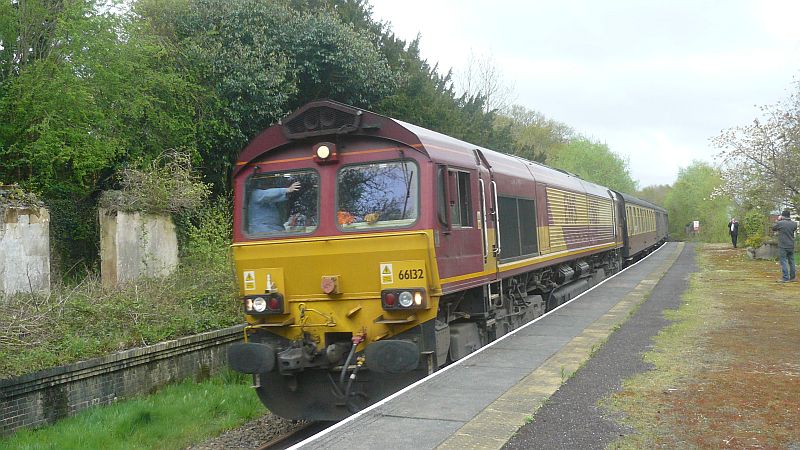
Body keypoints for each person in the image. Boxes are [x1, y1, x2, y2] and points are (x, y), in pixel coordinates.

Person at [771, 209, 797, 283]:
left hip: (783, 245)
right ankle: (793, 277)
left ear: (782, 216)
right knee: (791, 261)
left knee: (783, 261)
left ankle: (785, 278)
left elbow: (773, 228)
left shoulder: (780, 223)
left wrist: (778, 220)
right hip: (791, 245)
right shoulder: (794, 223)